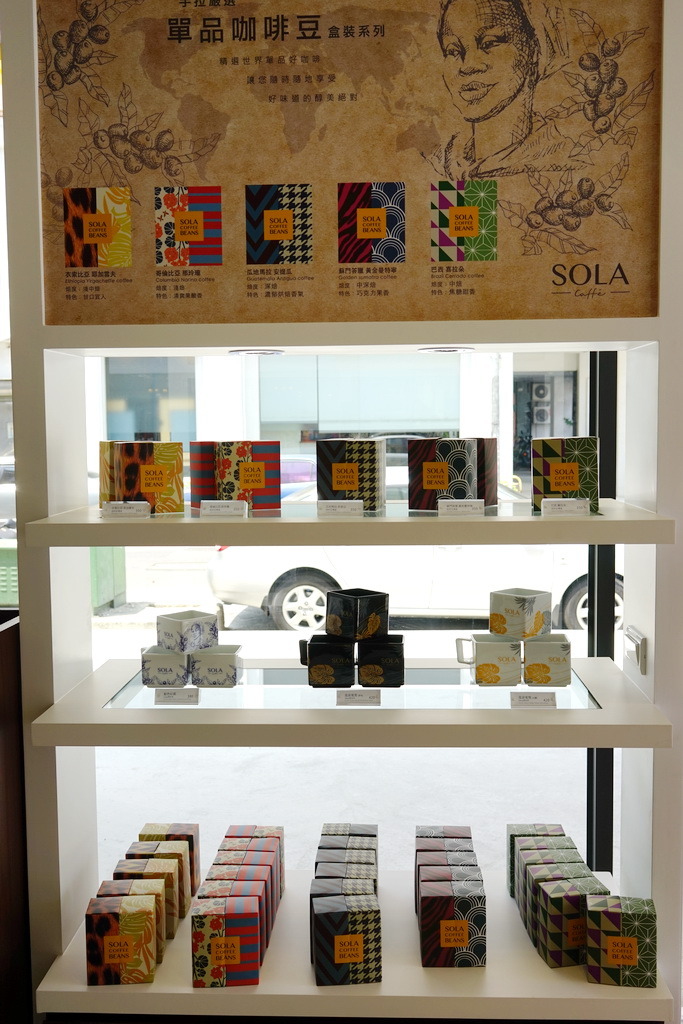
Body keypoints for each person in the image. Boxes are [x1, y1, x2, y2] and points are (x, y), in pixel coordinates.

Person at [431, 0, 573, 178]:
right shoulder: (441, 164)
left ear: (533, 49)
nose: (467, 66)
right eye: (453, 51)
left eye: (489, 43)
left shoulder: (560, 165)